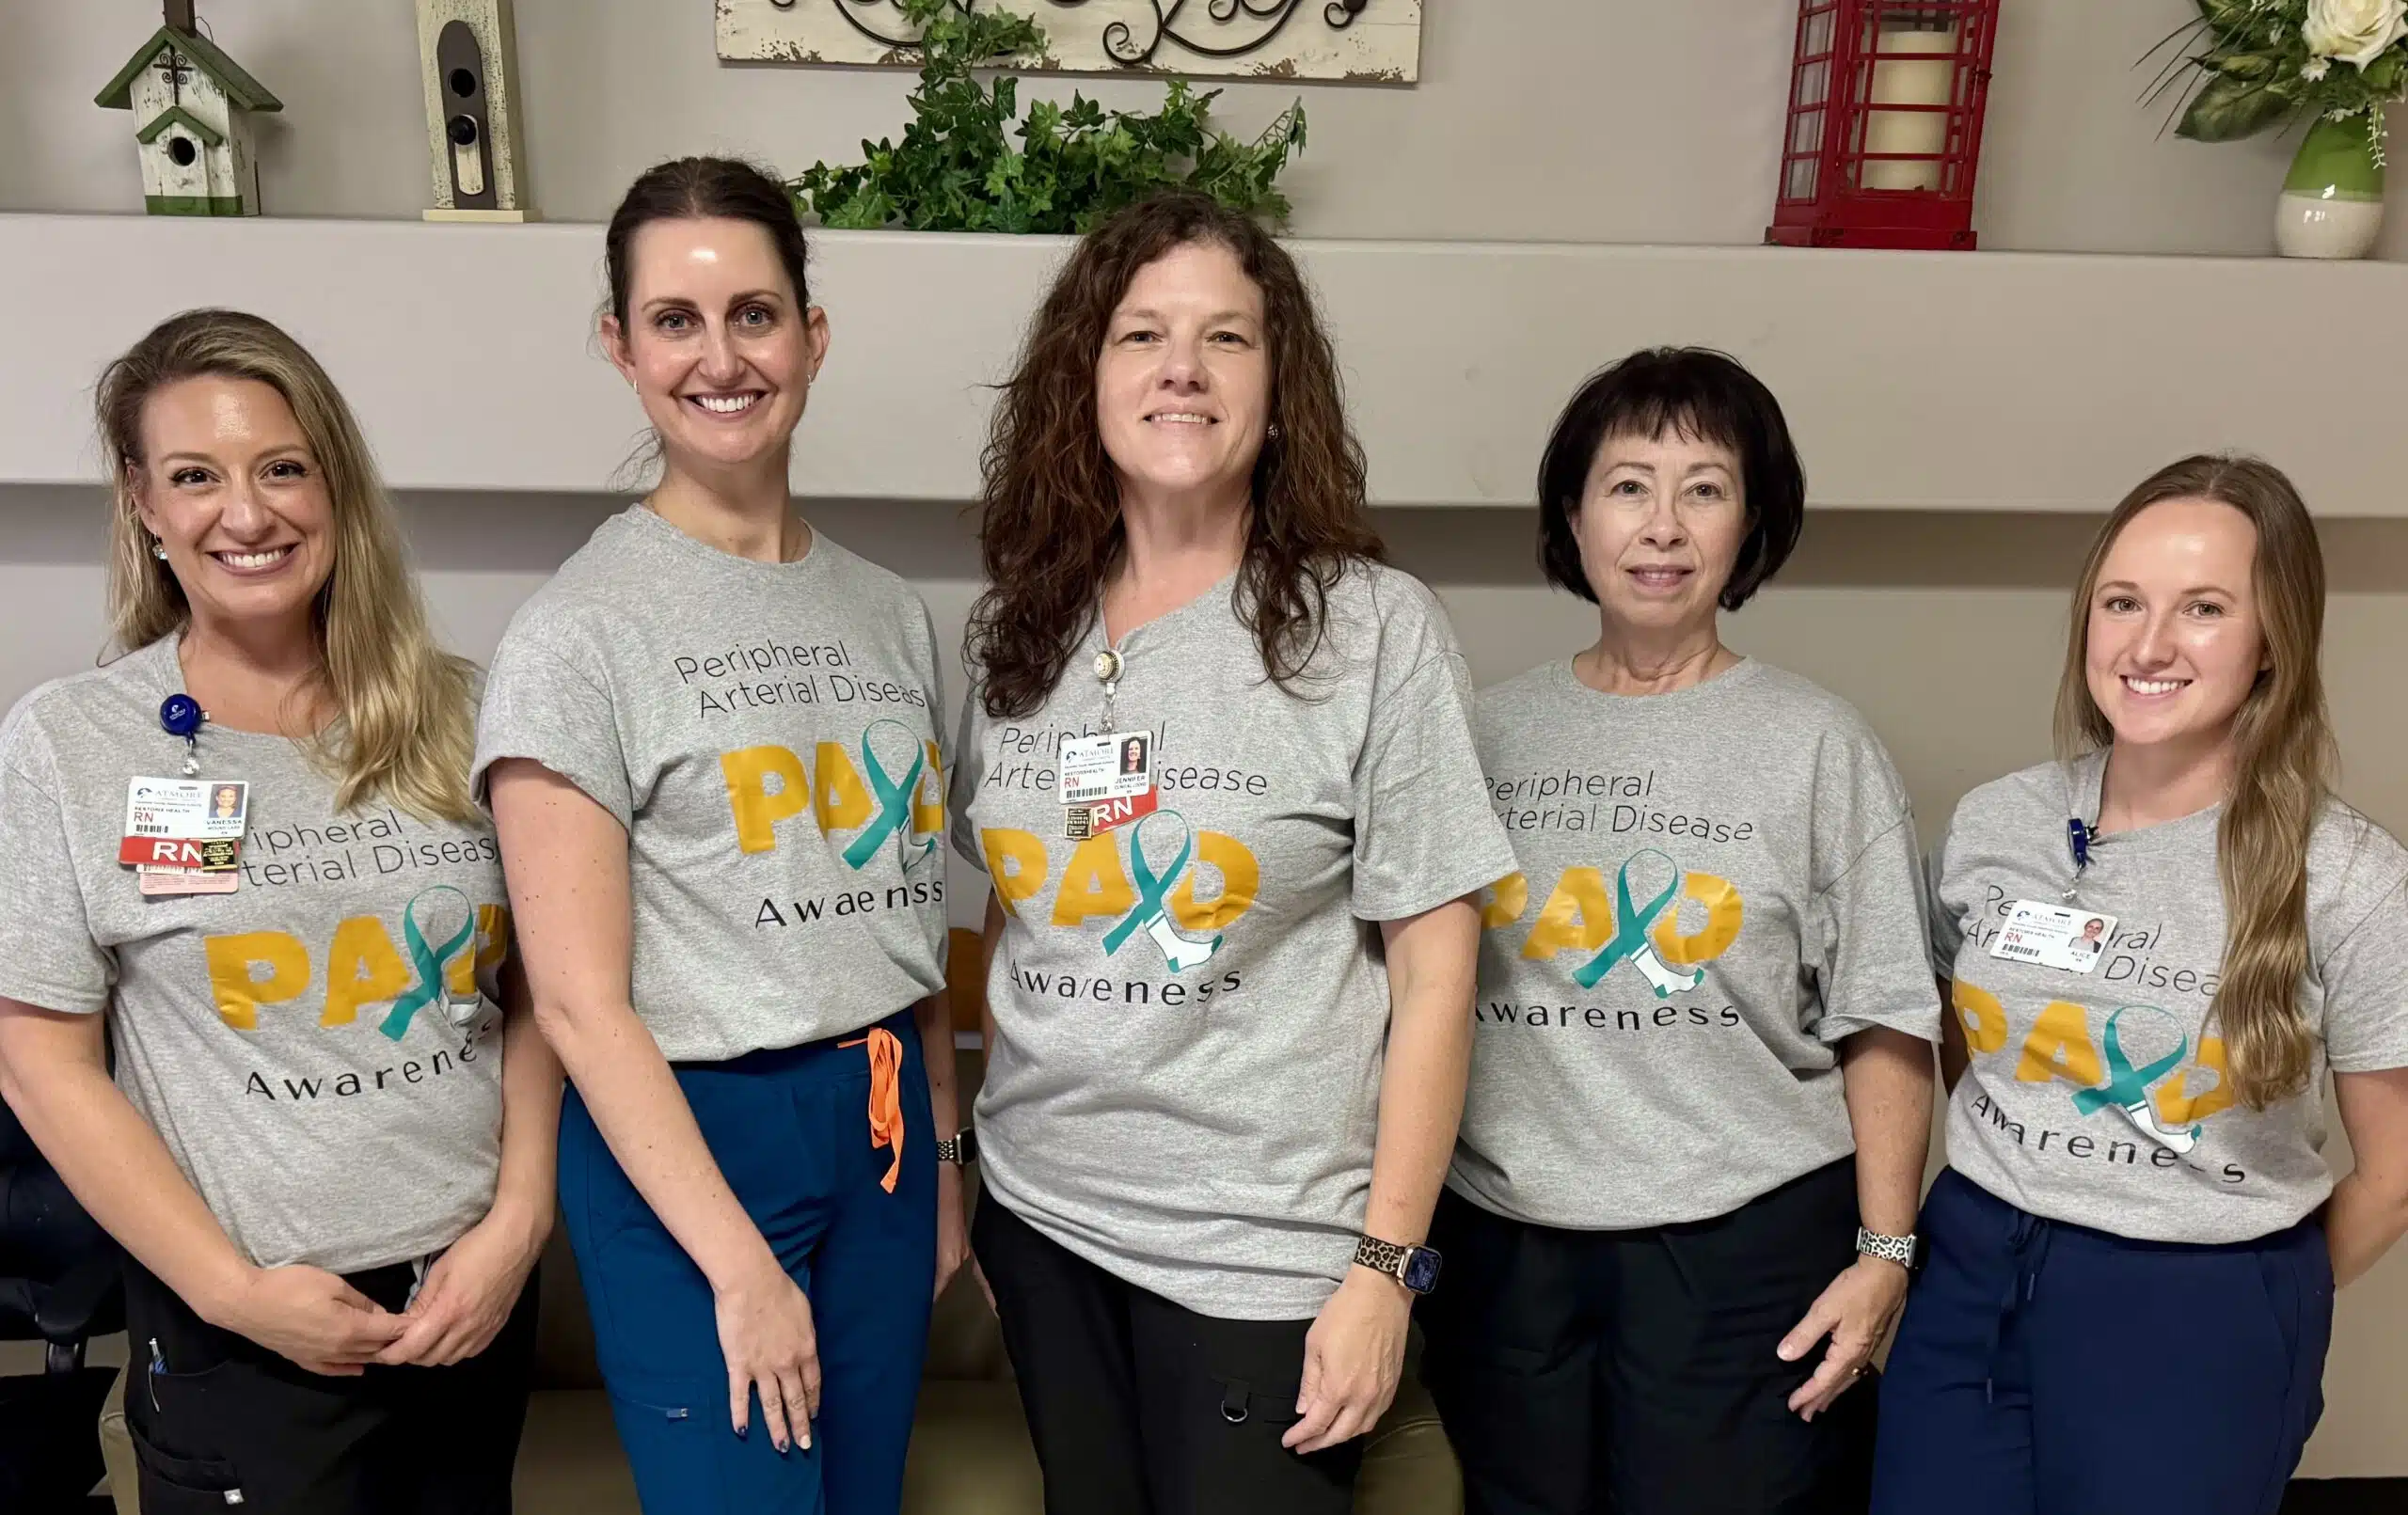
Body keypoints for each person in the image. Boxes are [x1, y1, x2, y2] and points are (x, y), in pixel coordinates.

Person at [950, 191, 1516, 1514]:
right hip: (1043, 1222)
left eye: (1226, 337)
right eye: (1142, 334)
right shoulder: (1019, 628)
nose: (1182, 370)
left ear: (1279, 383)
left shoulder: (1371, 632)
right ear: (1084, 378)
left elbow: (1439, 977)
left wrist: (1386, 1269)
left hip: (1265, 1256)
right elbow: (1018, 907)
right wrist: (976, 1178)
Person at [0, 309, 558, 1513]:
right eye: (196, 477)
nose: (246, 515)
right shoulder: (71, 744)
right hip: (241, 1330)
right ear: (144, 504)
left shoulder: (466, 715)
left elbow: (538, 997)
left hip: (470, 1304)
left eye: (283, 468)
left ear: (336, 487)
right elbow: (42, 1064)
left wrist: (517, 1224)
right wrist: (232, 1292)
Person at [478, 157, 963, 1515]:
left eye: (754, 314)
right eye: (675, 321)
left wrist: (940, 1161)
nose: (721, 357)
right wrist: (740, 1269)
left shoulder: (888, 611)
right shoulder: (576, 635)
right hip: (691, 1136)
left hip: (875, 1122)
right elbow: (577, 1003)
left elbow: (908, 916)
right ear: (620, 346)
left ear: (812, 333)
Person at [1419, 348, 1942, 1514]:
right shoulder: (1478, 736)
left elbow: (1886, 1016)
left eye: (1704, 488)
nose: (1662, 525)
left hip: (1741, 1247)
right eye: (1627, 486)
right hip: (1506, 1246)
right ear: (1573, 515)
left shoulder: (1818, 746)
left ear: (1750, 525)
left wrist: (1885, 1253)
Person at [1874, 455, 2408, 1515]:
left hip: (2196, 1306)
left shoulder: (2349, 875)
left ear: (2273, 640)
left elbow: (2393, 1175)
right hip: (1971, 1268)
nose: (2149, 645)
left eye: (2203, 608)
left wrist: (2253, 1294)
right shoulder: (1998, 821)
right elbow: (1956, 1033)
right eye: (2123, 602)